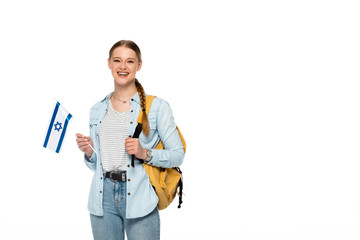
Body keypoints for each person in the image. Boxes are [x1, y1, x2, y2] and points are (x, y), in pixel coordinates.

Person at [75, 40, 184, 240]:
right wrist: (90, 153)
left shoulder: (157, 107)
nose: (123, 67)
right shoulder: (97, 109)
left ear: (139, 65)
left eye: (130, 61)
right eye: (117, 60)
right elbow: (100, 166)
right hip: (102, 198)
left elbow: (177, 155)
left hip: (140, 195)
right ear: (109, 64)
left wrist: (145, 153)